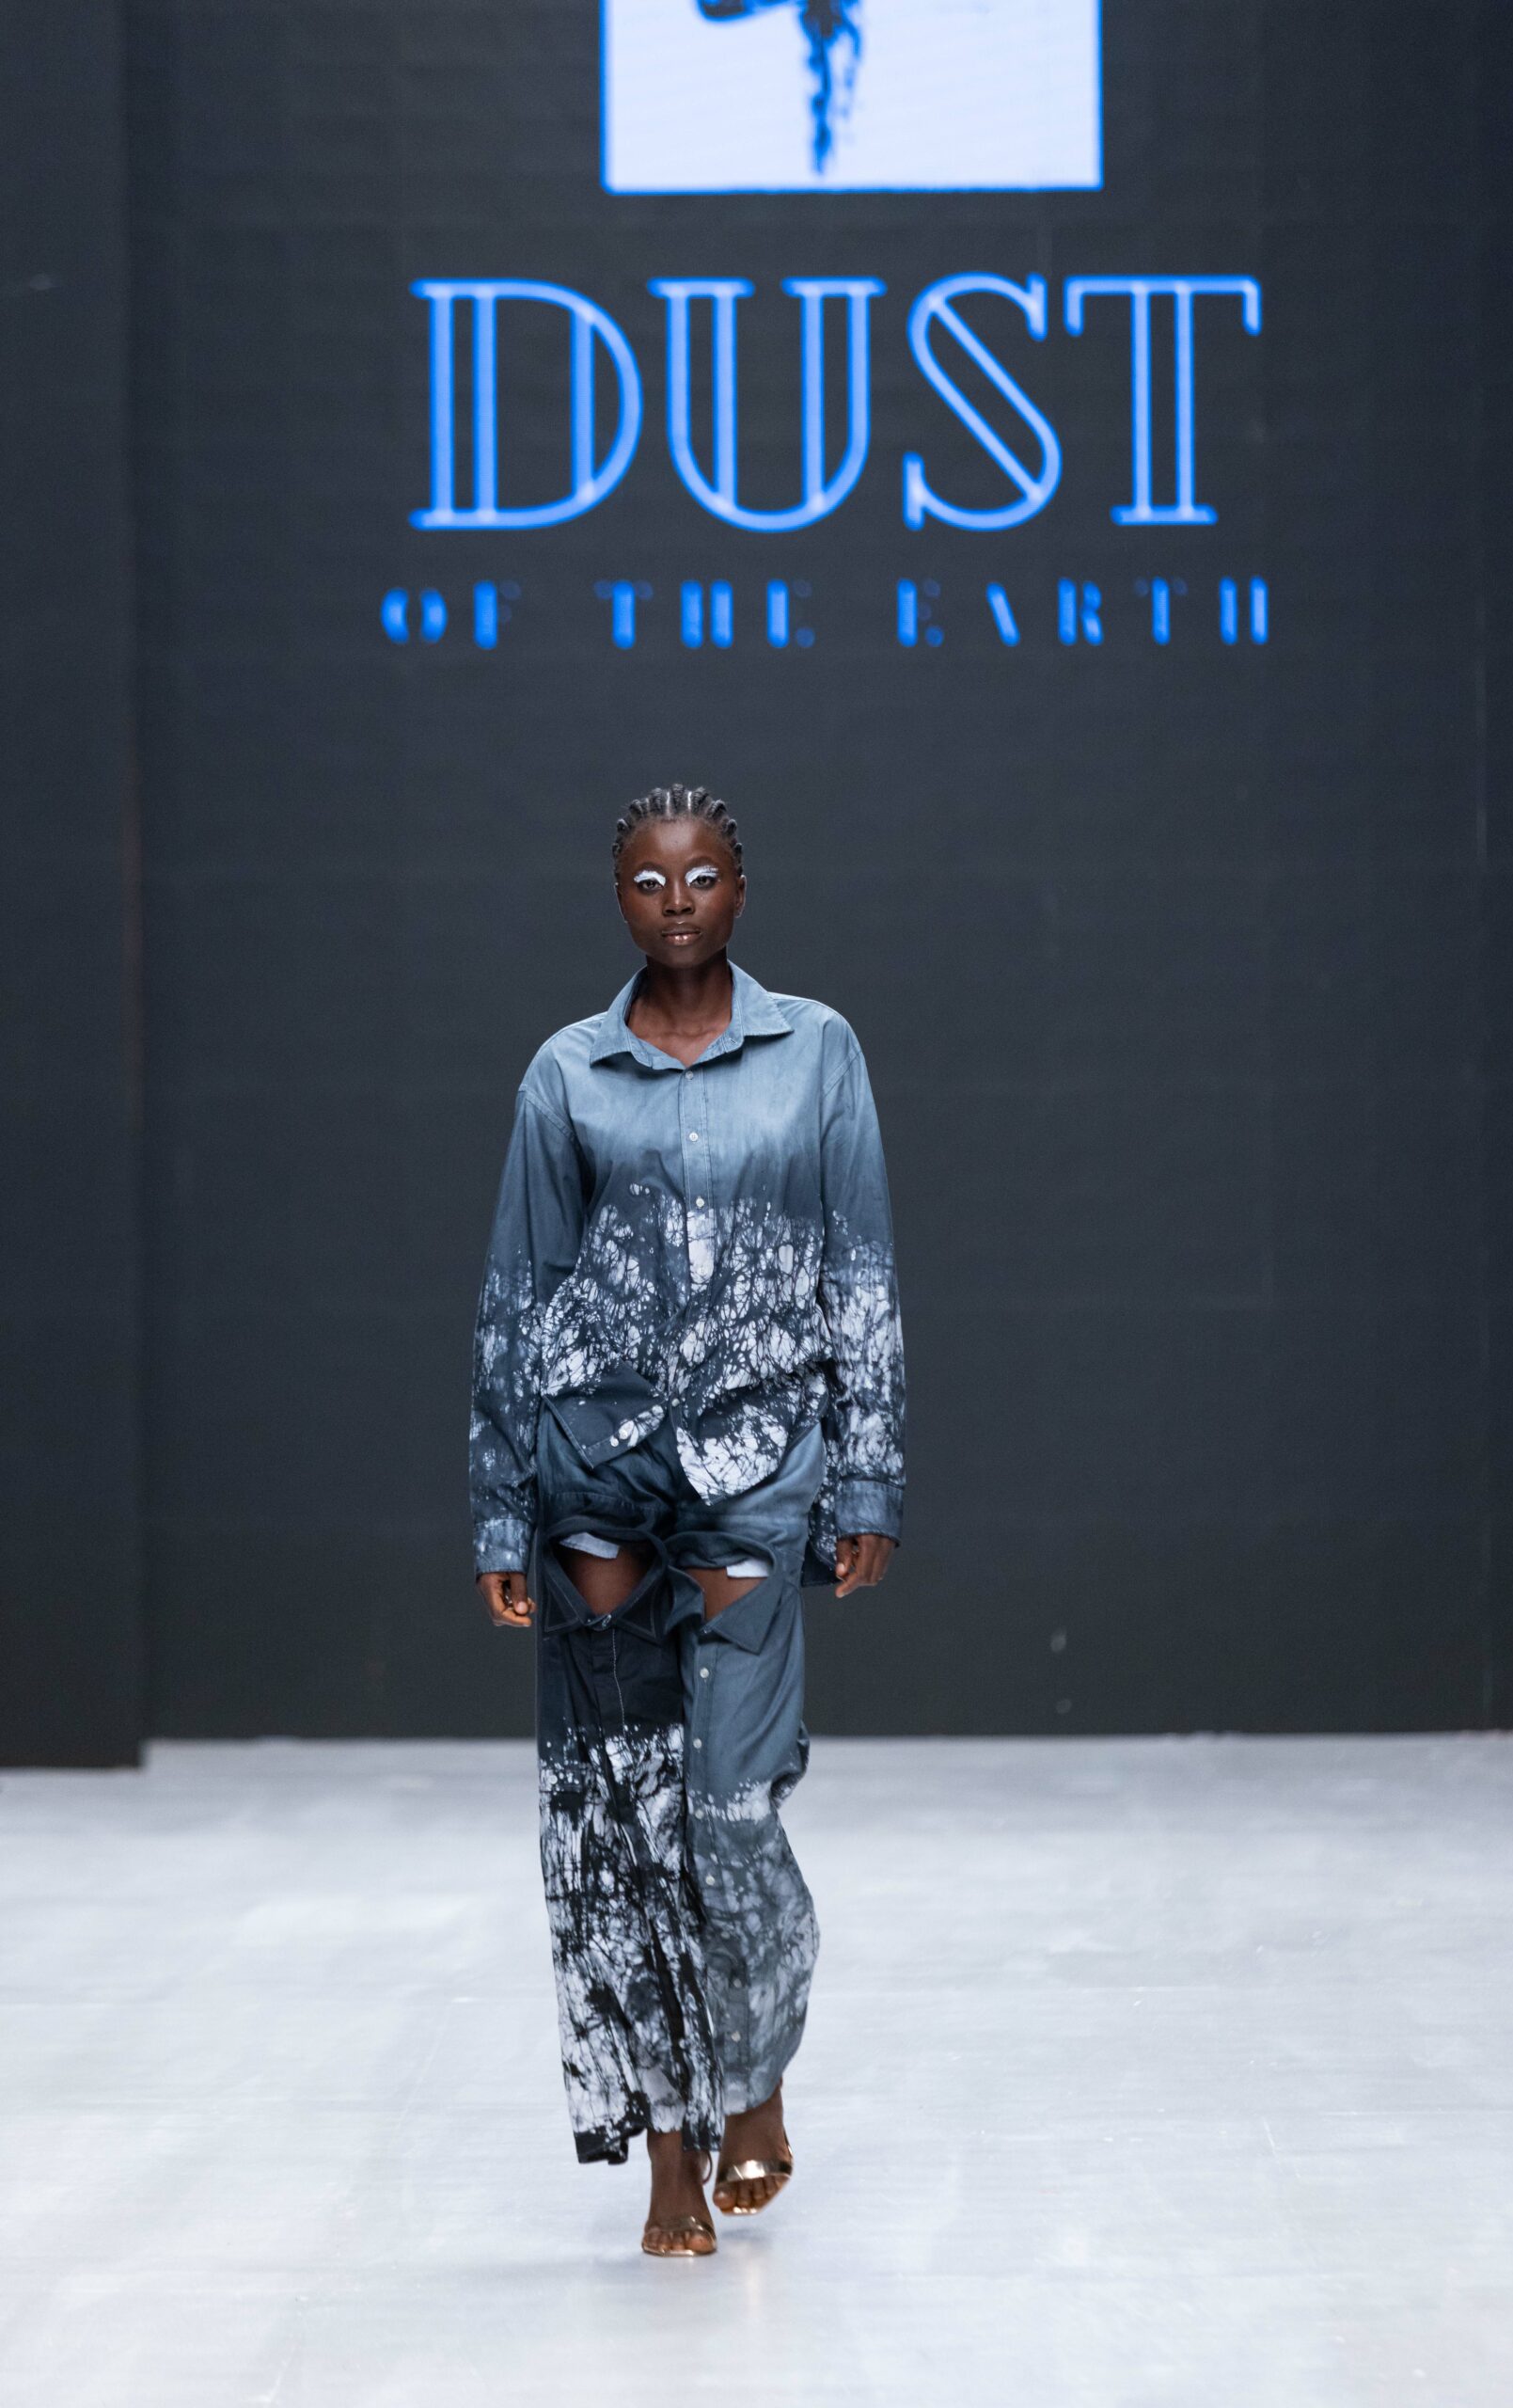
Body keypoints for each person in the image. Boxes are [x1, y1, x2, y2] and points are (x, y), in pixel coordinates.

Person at [469, 782, 905, 2257]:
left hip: (758, 1477)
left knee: (727, 1814)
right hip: (594, 1485)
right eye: (650, 881)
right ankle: (671, 2159)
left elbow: (861, 1270)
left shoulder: (819, 1050)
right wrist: (498, 1507)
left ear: (739, 890)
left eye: (702, 876)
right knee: (624, 1828)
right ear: (619, 899)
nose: (676, 902)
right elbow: (518, 1295)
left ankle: (756, 2074)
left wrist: (869, 1474)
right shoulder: (567, 1073)